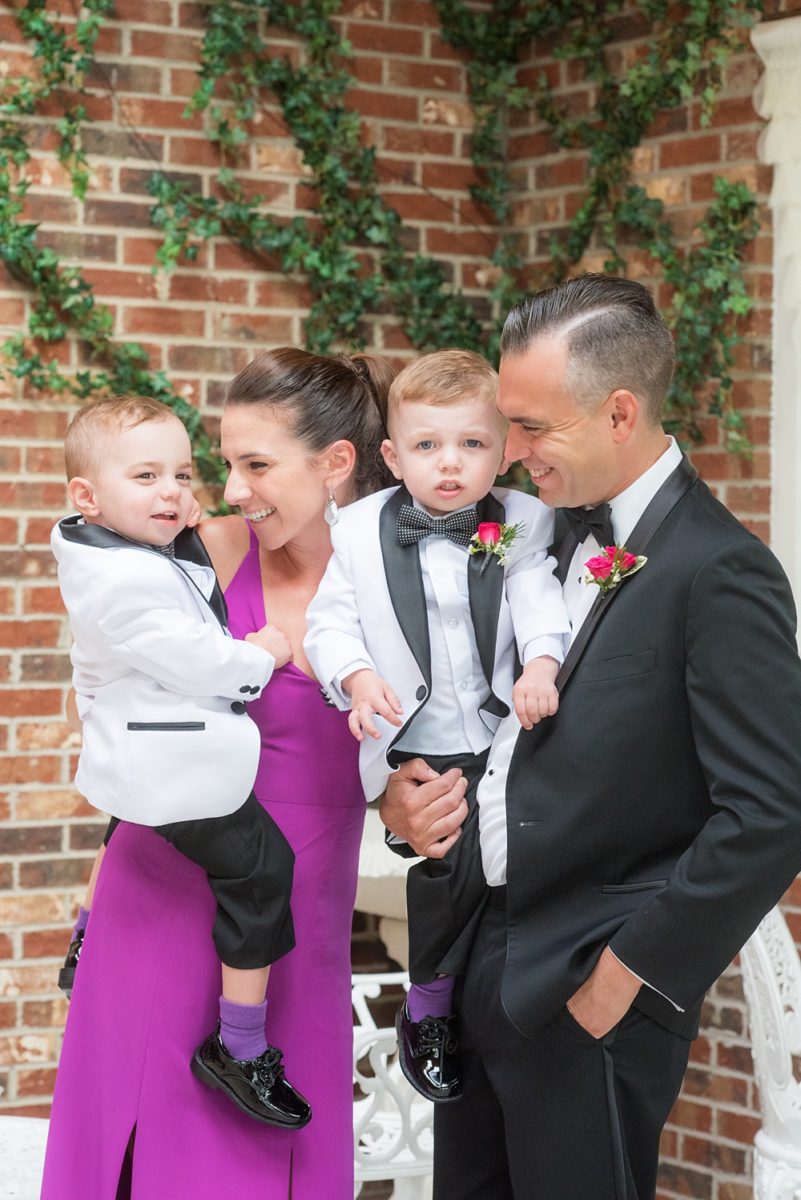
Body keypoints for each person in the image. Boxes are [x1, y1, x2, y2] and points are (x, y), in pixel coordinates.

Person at [379, 275, 801, 1200]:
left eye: (531, 427)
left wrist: (626, 979)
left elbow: (770, 815)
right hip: (476, 958)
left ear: (618, 412)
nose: (509, 449)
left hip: (589, 991)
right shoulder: (527, 533)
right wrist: (401, 804)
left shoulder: (722, 570)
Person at [41, 348, 393, 1200]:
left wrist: (416, 799)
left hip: (289, 926)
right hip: (156, 895)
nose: (229, 489)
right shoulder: (199, 553)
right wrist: (98, 875)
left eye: (255, 465)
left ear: (335, 463)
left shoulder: (396, 584)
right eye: (226, 463)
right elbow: (137, 713)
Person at [304, 349, 570, 1102]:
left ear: (503, 448)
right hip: (417, 734)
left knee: (514, 857)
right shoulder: (355, 530)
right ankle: (427, 1010)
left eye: (472, 444)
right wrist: (356, 679)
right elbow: (328, 624)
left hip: (500, 731)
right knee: (444, 862)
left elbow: (535, 597)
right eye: (426, 447)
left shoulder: (522, 520)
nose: (449, 466)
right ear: (392, 456)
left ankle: (505, 1004)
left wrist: (541, 666)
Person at [51, 394, 308, 1129]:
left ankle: (84, 939)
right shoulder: (121, 584)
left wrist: (183, 528)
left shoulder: (112, 546)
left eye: (180, 473)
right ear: (88, 496)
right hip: (172, 759)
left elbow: (176, 576)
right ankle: (240, 1044)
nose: (171, 491)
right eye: (146, 477)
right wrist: (259, 653)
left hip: (140, 752)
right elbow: (193, 655)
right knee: (262, 870)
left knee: (122, 827)